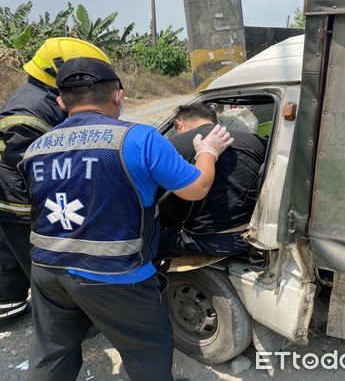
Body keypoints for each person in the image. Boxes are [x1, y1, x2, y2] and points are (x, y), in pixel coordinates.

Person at [18, 56, 233, 381]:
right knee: (147, 351)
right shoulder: (139, 139)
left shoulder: (35, 148)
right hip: (116, 277)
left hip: (47, 272)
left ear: (61, 101)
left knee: (52, 353)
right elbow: (196, 188)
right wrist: (209, 152)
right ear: (118, 95)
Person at [0, 37, 110, 326]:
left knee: (12, 256)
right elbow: (37, 164)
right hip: (20, 202)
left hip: (15, 197)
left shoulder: (41, 97)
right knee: (45, 262)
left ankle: (8, 305)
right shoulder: (29, 110)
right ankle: (67, 321)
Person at [158, 103, 266, 259]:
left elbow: (156, 192)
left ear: (178, 124)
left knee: (147, 247)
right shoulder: (254, 141)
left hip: (209, 240)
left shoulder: (173, 146)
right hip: (253, 233)